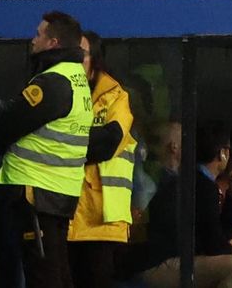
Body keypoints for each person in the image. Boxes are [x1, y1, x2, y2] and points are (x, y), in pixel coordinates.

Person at [0, 11, 95, 288]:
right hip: (59, 191)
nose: (33, 39)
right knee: (57, 269)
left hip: (37, 190)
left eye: (39, 34)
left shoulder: (53, 82)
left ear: (53, 42)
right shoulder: (76, 78)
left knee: (43, 274)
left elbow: (8, 123)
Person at [133, 124, 232, 288]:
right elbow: (215, 246)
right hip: (159, 264)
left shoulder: (202, 182)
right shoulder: (198, 184)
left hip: (183, 259)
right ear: (223, 153)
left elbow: (222, 236)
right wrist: (229, 246)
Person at [67, 31, 136, 288]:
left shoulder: (116, 97)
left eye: (81, 54)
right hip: (64, 218)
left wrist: (64, 143)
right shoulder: (60, 93)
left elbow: (108, 143)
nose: (74, 60)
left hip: (103, 224)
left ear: (95, 60)